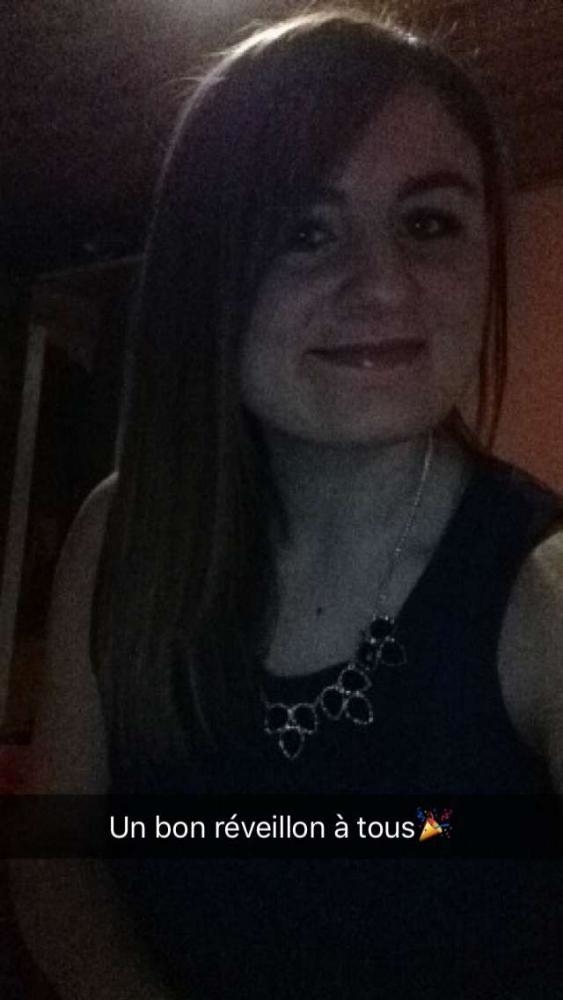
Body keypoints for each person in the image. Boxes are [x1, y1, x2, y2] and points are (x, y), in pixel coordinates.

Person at [11, 6, 563, 999]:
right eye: (303, 231)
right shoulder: (119, 534)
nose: (381, 285)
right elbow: (62, 862)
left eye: (427, 222)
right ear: (204, 273)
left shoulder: (543, 595)